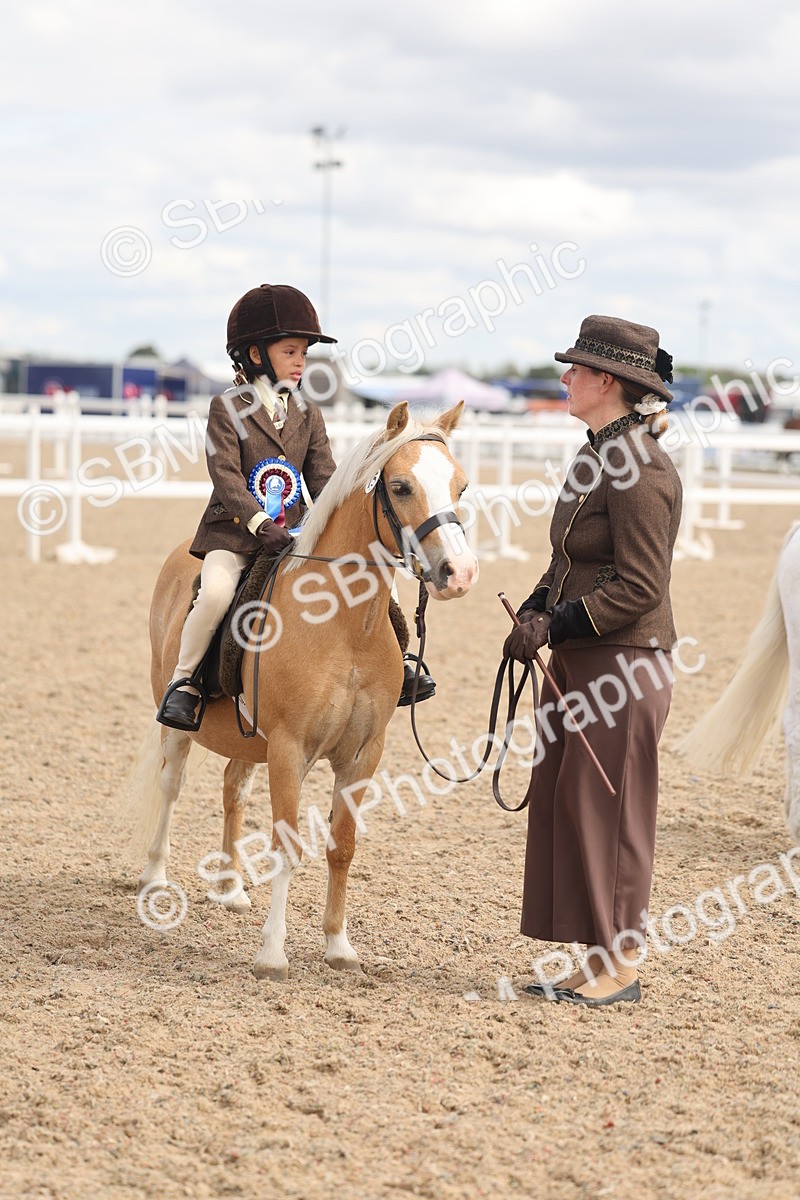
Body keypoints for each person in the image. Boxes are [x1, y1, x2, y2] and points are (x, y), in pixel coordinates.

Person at [157, 282, 434, 731]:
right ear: (255, 355)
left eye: (304, 353)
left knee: (376, 572)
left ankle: (400, 661)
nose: (301, 362)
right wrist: (259, 520)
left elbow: (324, 475)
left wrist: (345, 521)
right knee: (215, 594)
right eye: (291, 352)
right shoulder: (227, 408)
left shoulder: (308, 412)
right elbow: (224, 474)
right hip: (236, 531)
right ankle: (184, 682)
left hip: (297, 535)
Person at [503, 315, 682, 1007]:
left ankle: (624, 966)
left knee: (610, 806)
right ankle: (594, 956)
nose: (565, 379)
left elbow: (642, 585)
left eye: (575, 370)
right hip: (582, 658)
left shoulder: (640, 466)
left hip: (623, 662)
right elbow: (567, 558)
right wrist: (532, 610)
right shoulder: (595, 456)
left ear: (607, 382)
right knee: (569, 800)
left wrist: (560, 622)